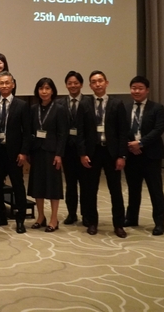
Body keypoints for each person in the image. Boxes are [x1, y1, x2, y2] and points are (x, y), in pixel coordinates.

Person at [80, 70, 128, 238]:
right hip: (92, 152)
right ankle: (92, 222)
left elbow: (123, 132)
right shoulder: (84, 104)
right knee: (90, 190)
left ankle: (119, 224)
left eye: (100, 81)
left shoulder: (117, 103)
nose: (97, 84)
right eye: (94, 82)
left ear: (106, 83)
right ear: (90, 85)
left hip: (111, 152)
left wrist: (122, 155)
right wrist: (82, 153)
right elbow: (81, 131)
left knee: (115, 190)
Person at [0, 71, 30, 234]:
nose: (4, 85)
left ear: (13, 84)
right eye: (1, 83)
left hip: (15, 152)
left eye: (7, 83)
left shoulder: (22, 105)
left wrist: (24, 152)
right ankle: (1, 217)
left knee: (18, 185)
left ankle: (20, 220)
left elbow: (27, 132)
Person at [124, 76, 164, 236]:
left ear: (147, 90)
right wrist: (131, 145)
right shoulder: (125, 108)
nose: (136, 91)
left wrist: (140, 143)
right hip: (131, 155)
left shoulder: (157, 108)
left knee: (155, 190)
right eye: (133, 88)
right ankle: (131, 218)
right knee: (133, 189)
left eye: (140, 88)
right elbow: (121, 129)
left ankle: (159, 223)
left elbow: (158, 130)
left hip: (151, 155)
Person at [56, 71, 96, 226]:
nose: (73, 86)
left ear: (81, 84)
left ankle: (86, 215)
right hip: (68, 149)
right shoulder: (60, 103)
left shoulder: (89, 102)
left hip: (85, 150)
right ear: (66, 85)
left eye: (76, 83)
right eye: (70, 83)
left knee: (86, 184)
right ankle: (71, 214)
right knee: (70, 183)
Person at [28, 78, 67, 232]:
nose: (44, 92)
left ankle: (53, 219)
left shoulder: (59, 109)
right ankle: (40, 217)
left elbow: (62, 134)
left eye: (47, 88)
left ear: (52, 91)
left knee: (53, 186)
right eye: (41, 88)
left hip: (52, 152)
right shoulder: (33, 109)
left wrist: (59, 154)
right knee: (37, 185)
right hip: (37, 151)